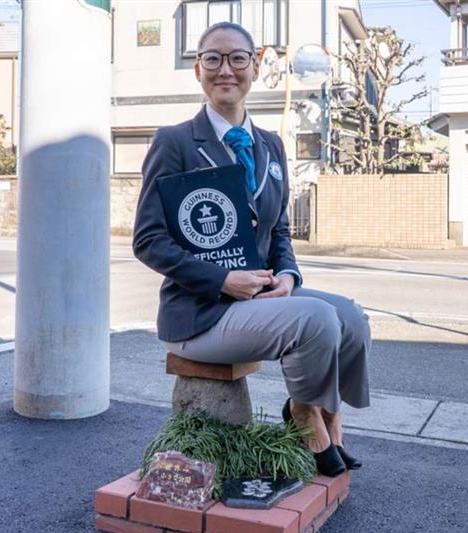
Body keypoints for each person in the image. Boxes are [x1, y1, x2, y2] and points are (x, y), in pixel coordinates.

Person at [132, 21, 371, 477]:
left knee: (351, 318)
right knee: (317, 319)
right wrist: (223, 279)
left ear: (255, 66)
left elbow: (278, 229)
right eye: (213, 58)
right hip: (203, 312)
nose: (227, 69)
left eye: (238, 58)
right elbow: (147, 240)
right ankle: (304, 417)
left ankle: (328, 418)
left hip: (262, 298)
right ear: (197, 70)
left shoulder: (271, 145)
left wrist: (288, 276)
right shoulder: (175, 142)